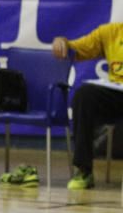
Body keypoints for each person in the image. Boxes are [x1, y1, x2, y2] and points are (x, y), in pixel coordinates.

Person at [52, 23, 123, 190]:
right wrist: (62, 42)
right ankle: (84, 170)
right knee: (85, 95)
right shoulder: (111, 32)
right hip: (118, 93)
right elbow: (77, 48)